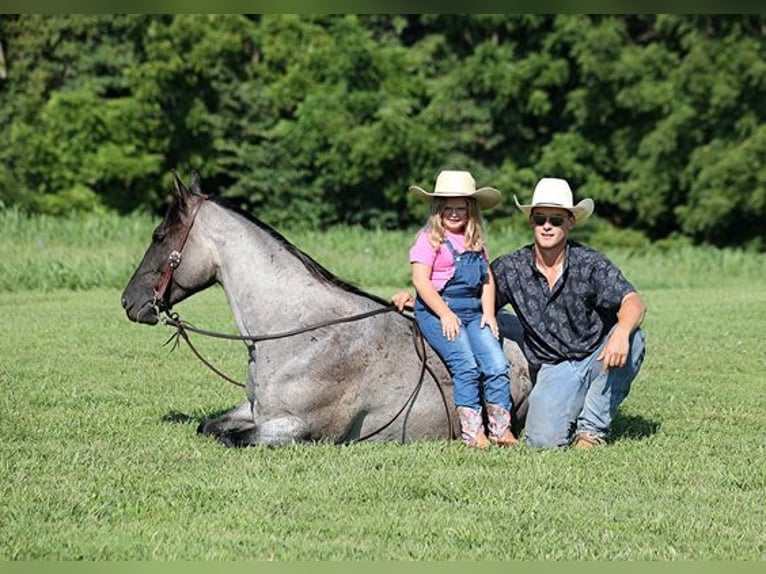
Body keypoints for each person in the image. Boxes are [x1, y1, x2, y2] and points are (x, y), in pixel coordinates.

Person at [393, 176, 646, 449]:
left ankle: (591, 430)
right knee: (542, 441)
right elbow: (469, 292)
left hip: (599, 352)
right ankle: (574, 399)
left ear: (570, 222)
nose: (547, 226)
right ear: (531, 222)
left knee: (633, 339)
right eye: (540, 218)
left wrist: (620, 331)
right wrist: (414, 299)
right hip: (556, 366)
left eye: (556, 220)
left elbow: (633, 301)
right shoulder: (513, 268)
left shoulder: (591, 263)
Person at [407, 170, 517, 449]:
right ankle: (472, 432)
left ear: (471, 210)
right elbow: (421, 281)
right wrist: (444, 313)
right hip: (438, 309)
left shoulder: (474, 241)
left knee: (496, 364)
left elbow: (487, 279)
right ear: (438, 210)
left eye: (461, 208)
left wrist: (489, 313)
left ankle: (501, 429)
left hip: (474, 311)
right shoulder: (429, 239)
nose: (454, 213)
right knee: (465, 365)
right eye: (448, 208)